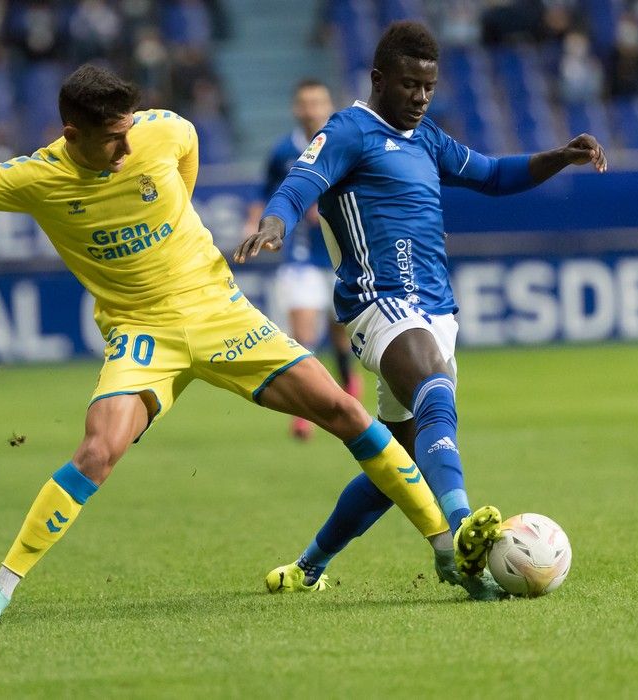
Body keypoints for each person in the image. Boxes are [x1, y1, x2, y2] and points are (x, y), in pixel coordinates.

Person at [0, 64, 494, 626]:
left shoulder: (159, 131)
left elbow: (187, 144)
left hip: (220, 312)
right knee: (98, 448)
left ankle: (442, 547)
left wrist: (179, 208)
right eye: (111, 138)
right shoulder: (35, 177)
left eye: (128, 130)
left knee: (347, 415)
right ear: (72, 133)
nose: (125, 145)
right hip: (142, 332)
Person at [236, 21, 607, 595]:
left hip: (436, 308)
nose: (419, 97)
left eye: (427, 88)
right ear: (379, 79)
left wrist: (560, 155)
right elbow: (298, 182)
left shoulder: (426, 137)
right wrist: (275, 223)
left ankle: (308, 566)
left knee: (395, 461)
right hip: (375, 301)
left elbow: (490, 174)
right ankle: (462, 530)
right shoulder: (349, 131)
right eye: (409, 85)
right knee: (432, 381)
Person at [244, 79, 362, 441]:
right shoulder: (284, 151)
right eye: (305, 103)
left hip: (342, 257)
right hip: (300, 260)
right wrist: (255, 224)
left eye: (317, 102)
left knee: (340, 336)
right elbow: (266, 194)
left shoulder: (346, 144)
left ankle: (349, 386)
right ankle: (304, 414)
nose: (311, 109)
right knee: (303, 336)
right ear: (296, 108)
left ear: (329, 105)